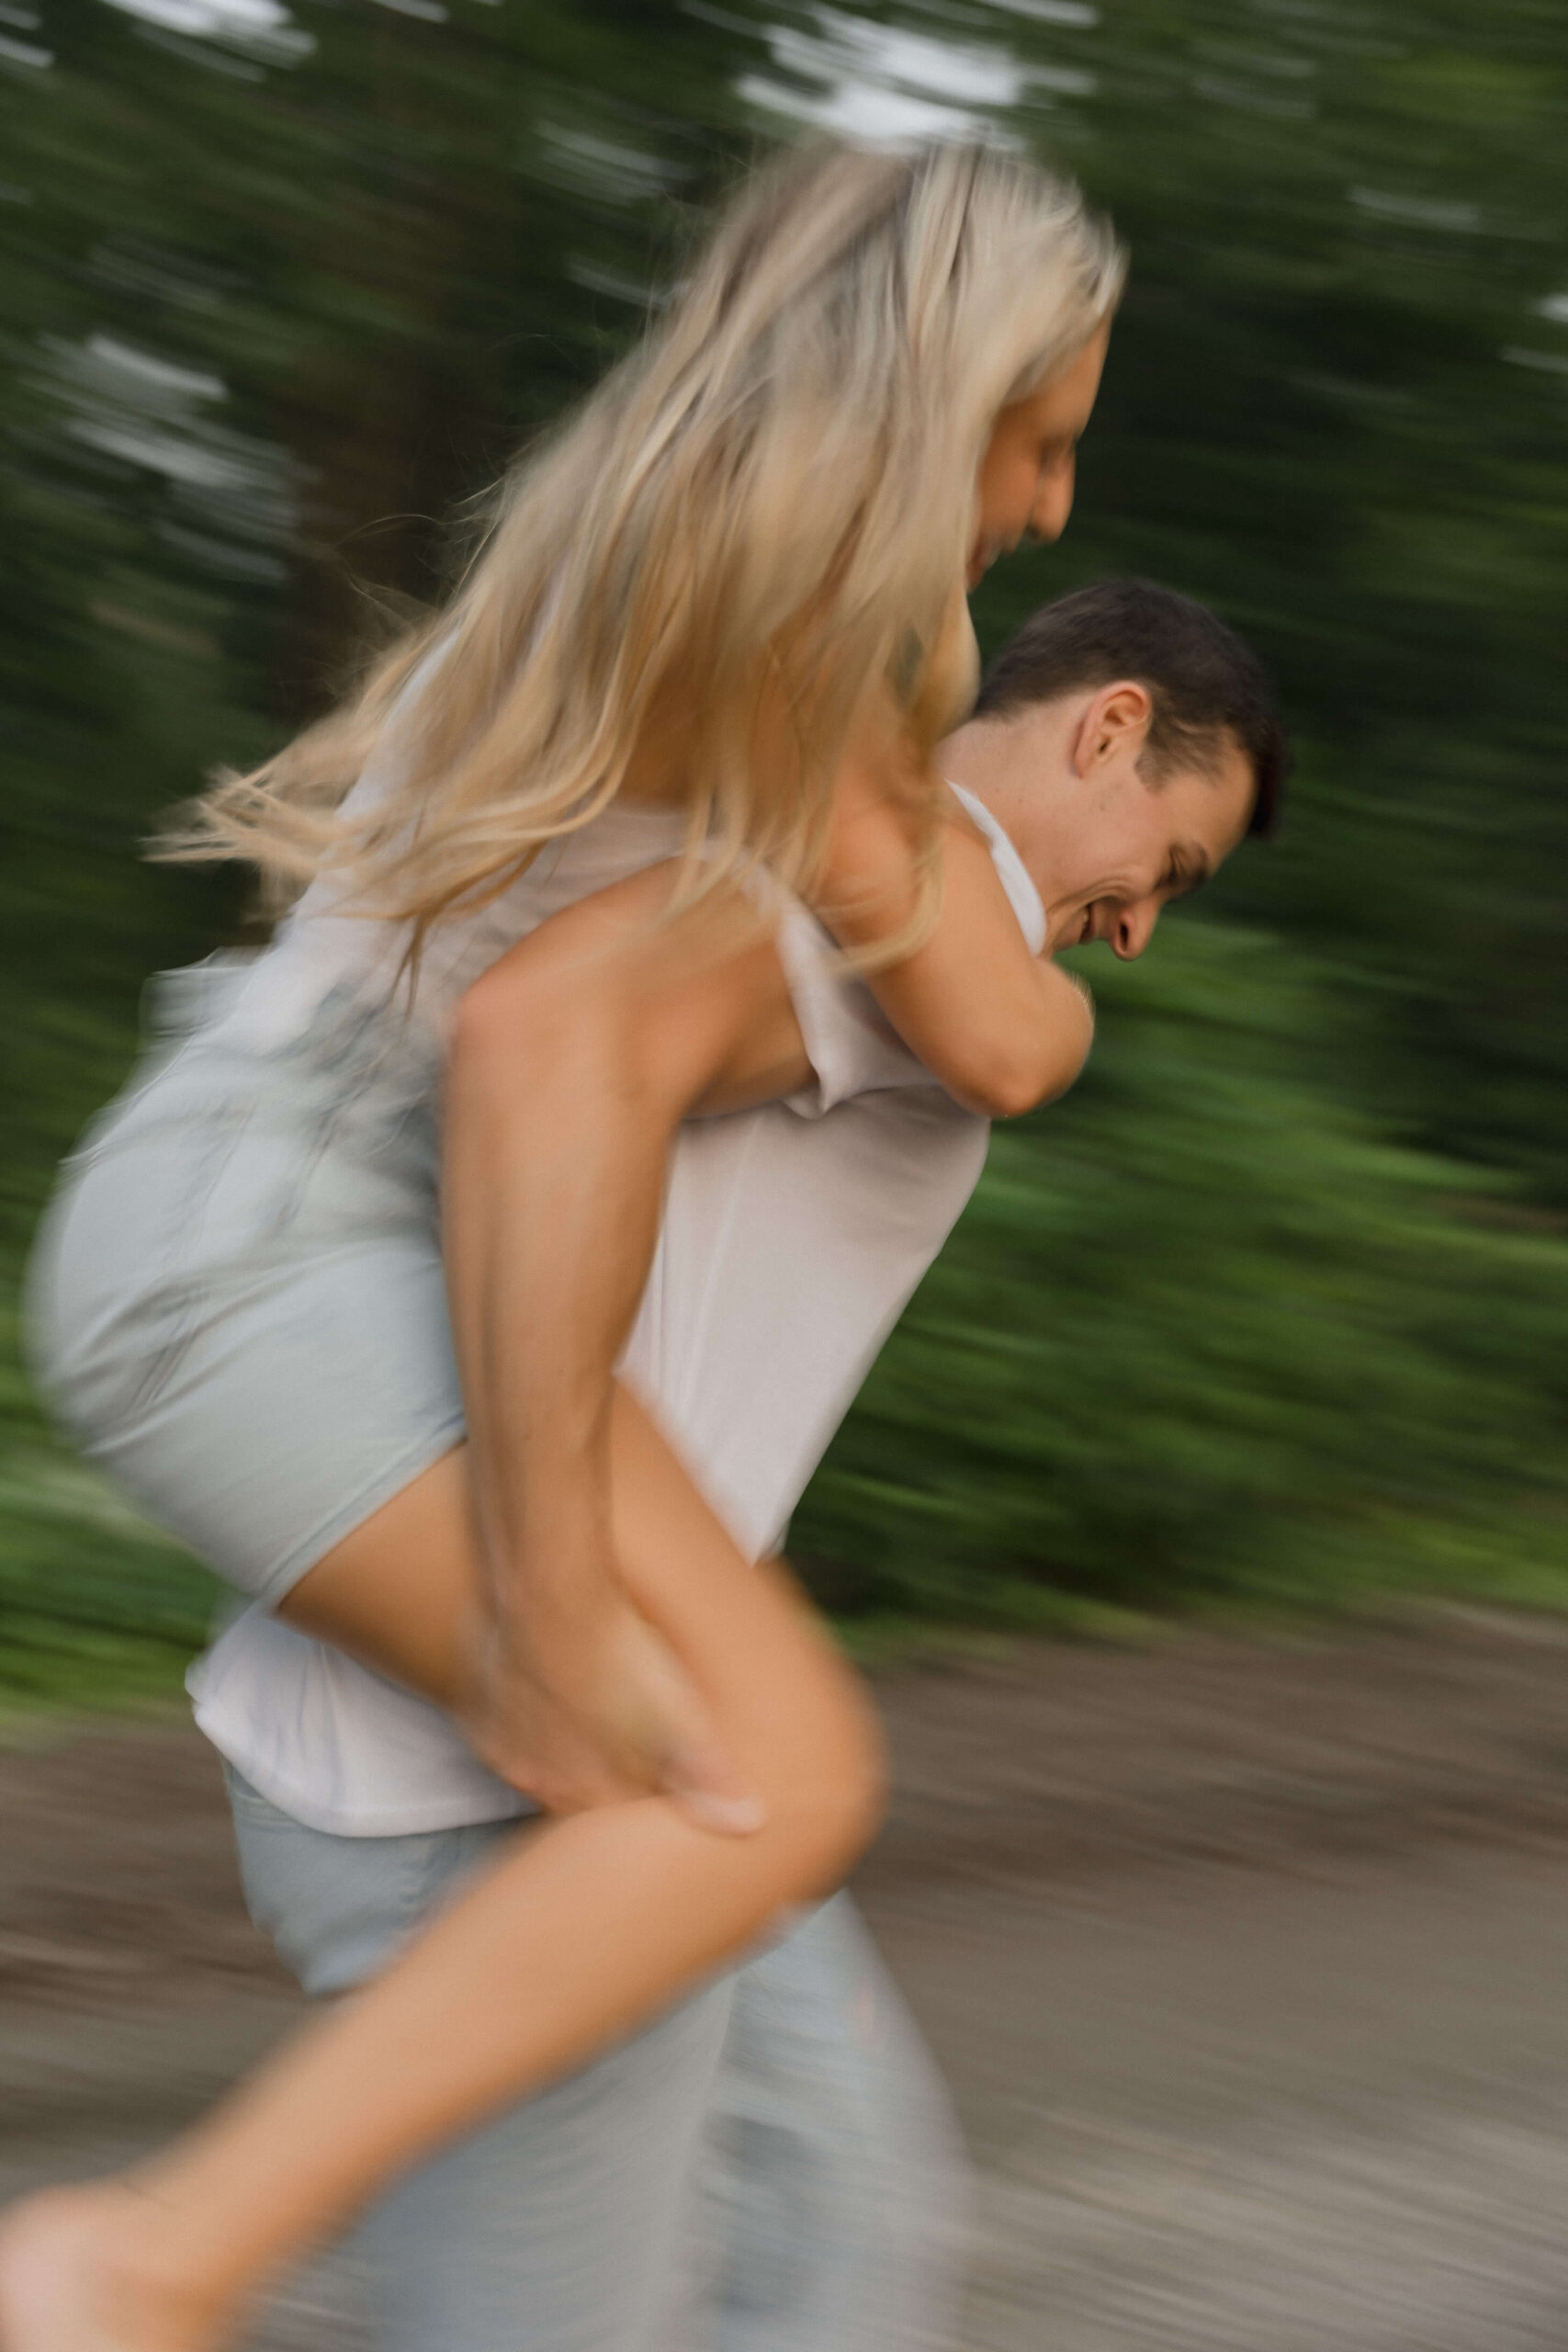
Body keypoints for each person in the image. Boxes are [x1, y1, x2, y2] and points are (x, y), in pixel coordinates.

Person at [0, 135, 1280, 2351]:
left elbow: (964, 1023)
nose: (1058, 500)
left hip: (258, 1224)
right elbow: (565, 1048)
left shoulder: (724, 599)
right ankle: (145, 2259)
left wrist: (990, 978)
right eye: (1042, 435)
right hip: (267, 1230)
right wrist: (545, 1589)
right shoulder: (827, 650)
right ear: (931, 387)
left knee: (825, 2216)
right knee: (780, 1771)